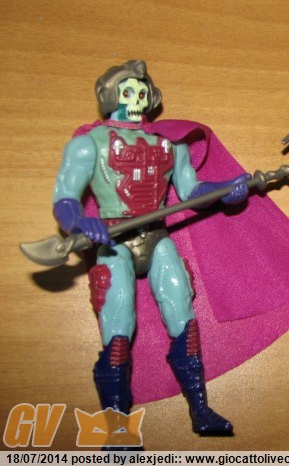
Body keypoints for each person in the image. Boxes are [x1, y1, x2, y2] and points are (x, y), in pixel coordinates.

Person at [53, 60, 250, 436]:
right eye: (128, 92)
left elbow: (191, 190)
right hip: (114, 241)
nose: (136, 99)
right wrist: (79, 222)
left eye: (142, 92)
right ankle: (117, 429)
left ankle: (201, 410)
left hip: (157, 237)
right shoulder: (89, 143)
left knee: (184, 319)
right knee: (118, 332)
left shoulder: (169, 142)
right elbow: (65, 198)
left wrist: (224, 190)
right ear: (111, 95)